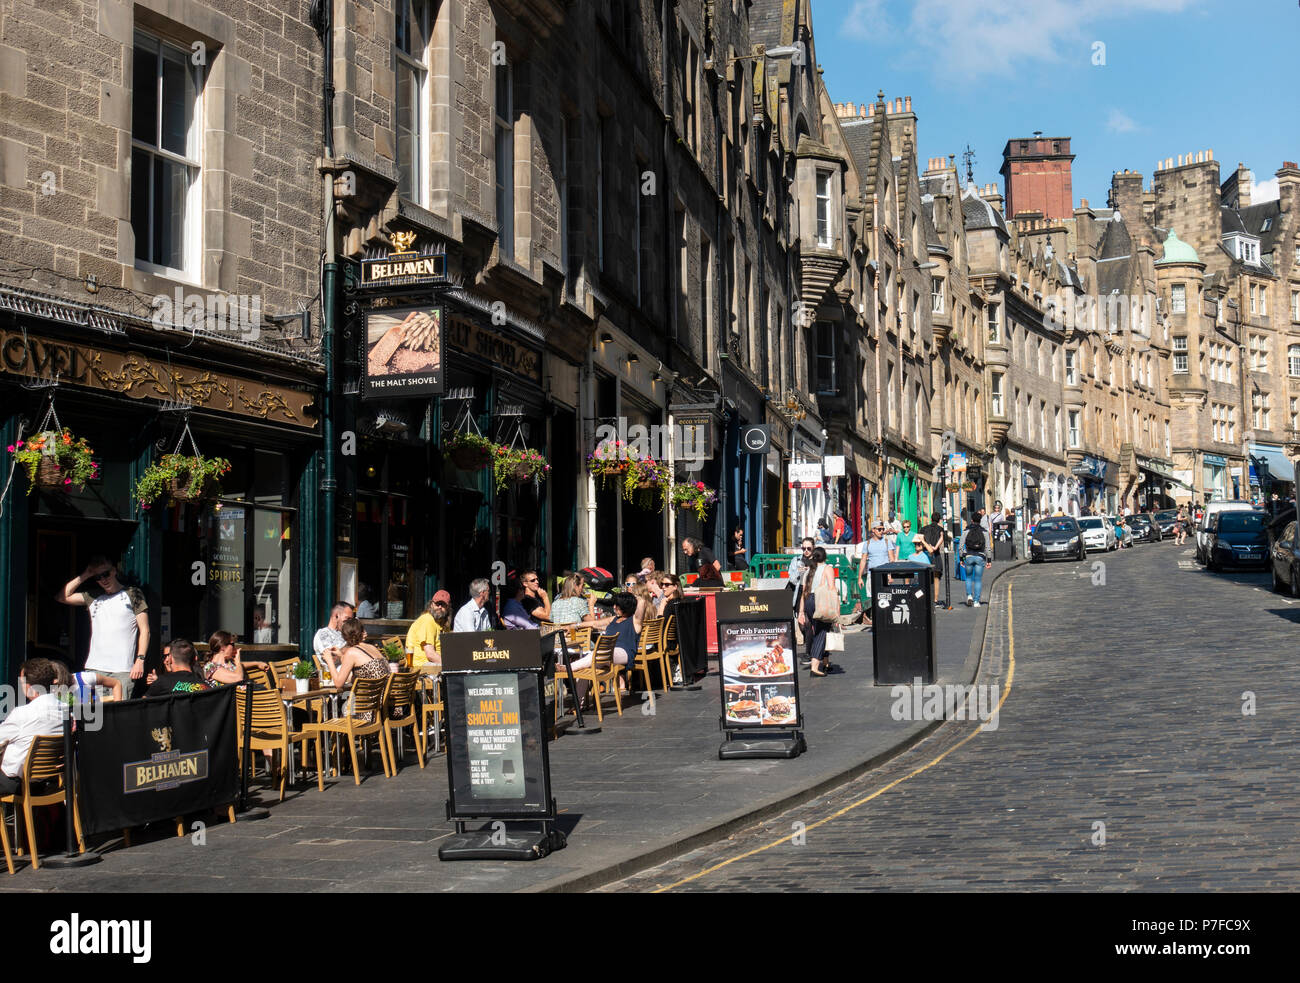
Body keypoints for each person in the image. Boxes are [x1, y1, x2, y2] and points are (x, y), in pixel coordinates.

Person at [56, 555, 149, 697]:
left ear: (114, 571)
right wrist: (86, 574)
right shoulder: (94, 596)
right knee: (95, 714)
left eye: (105, 574)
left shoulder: (133, 594)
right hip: (95, 667)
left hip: (122, 669)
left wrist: (140, 660)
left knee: (119, 714)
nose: (103, 580)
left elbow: (145, 630)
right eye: (98, 577)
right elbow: (62, 597)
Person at [0, 659, 65, 796]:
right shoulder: (65, 711)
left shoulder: (22, 714)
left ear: (29, 687)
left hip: (18, 784)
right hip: (50, 782)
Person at [560, 593, 640, 703]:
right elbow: (593, 623)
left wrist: (637, 596)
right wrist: (574, 626)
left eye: (617, 605)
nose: (614, 607)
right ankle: (578, 704)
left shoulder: (635, 621)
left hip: (623, 653)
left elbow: (643, 605)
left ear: (624, 607)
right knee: (584, 668)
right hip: (605, 655)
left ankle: (567, 668)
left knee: (596, 653)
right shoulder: (613, 619)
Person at [322, 619, 391, 722]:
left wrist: (329, 661)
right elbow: (363, 672)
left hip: (367, 711)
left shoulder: (351, 653)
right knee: (342, 700)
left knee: (333, 706)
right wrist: (342, 656)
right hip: (385, 706)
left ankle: (328, 735)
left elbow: (338, 683)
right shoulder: (372, 648)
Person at [797, 547, 835, 677]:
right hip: (820, 600)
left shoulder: (808, 571)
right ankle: (814, 667)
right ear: (824, 557)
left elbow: (803, 592)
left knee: (818, 629)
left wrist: (801, 612)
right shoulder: (827, 568)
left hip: (809, 601)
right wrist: (837, 608)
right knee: (822, 632)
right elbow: (832, 588)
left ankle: (826, 662)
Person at [856, 520, 895, 627]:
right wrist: (860, 577)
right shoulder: (867, 544)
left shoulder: (887, 542)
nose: (881, 531)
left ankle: (886, 618)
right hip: (871, 574)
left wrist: (890, 575)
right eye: (879, 529)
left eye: (882, 529)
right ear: (873, 530)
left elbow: (891, 560)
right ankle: (876, 618)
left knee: (886, 596)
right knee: (873, 598)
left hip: (884, 574)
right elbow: (863, 560)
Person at [145, 639, 211, 696]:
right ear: (195, 659)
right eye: (164, 656)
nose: (165, 660)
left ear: (170, 658)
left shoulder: (162, 684)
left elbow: (143, 705)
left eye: (167, 656)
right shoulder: (206, 688)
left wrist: (158, 683)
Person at [406, 591, 452, 668]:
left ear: (448, 607)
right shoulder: (428, 620)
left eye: (443, 605)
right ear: (431, 604)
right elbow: (430, 655)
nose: (439, 607)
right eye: (437, 604)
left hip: (434, 662)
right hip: (422, 665)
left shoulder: (443, 622)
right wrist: (450, 665)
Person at [920, 512, 947, 604]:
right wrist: (935, 547)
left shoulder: (923, 529)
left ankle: (926, 597)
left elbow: (919, 540)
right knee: (936, 578)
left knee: (925, 578)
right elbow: (942, 538)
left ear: (931, 519)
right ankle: (935, 599)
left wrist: (927, 545)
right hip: (936, 555)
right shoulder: (941, 529)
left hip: (925, 554)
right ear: (939, 520)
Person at [960, 521, 988, 607]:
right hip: (980, 556)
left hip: (968, 556)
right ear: (980, 521)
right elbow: (988, 547)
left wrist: (961, 558)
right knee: (978, 579)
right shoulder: (984, 532)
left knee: (968, 578)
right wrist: (989, 560)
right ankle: (976, 601)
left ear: (972, 520)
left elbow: (961, 546)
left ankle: (969, 596)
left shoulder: (966, 531)